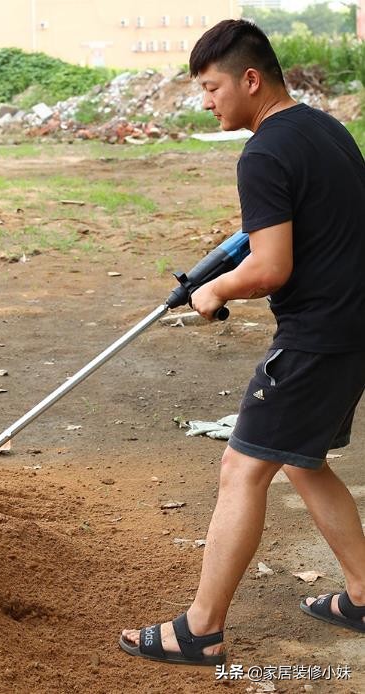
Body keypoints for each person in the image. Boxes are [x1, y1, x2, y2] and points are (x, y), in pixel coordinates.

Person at [119, 18, 365, 666]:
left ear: (249, 80)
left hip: (317, 335)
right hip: (352, 325)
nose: (207, 101)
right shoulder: (324, 129)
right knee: (301, 459)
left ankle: (200, 630)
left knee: (242, 465)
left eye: (212, 86)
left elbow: (270, 266)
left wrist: (214, 290)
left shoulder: (263, 152)